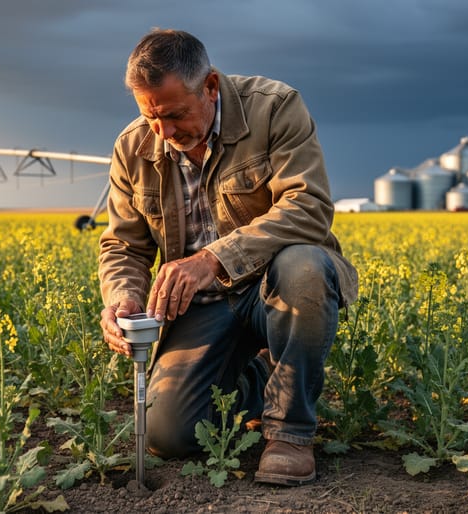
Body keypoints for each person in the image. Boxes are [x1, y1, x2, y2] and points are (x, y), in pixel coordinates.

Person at [98, 29, 358, 486]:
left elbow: (308, 206)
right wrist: (122, 298)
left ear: (211, 87)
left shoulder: (274, 107)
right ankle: (263, 377)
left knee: (304, 267)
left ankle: (290, 433)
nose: (164, 132)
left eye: (176, 115)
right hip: (204, 307)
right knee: (169, 434)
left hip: (272, 288)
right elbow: (124, 245)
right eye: (151, 117)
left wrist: (214, 259)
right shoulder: (133, 147)